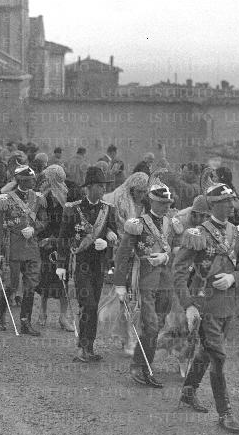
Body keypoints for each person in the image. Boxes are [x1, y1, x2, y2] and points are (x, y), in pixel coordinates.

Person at [174, 183, 239, 434]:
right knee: (218, 357)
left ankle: (188, 391)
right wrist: (188, 305)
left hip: (228, 304)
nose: (231, 205)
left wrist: (234, 278)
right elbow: (178, 271)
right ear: (213, 205)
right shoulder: (198, 234)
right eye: (225, 201)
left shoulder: (238, 233)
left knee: (208, 352)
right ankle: (225, 412)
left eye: (231, 200)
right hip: (204, 304)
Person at [114, 183, 183, 386]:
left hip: (166, 281)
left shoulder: (174, 224)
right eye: (161, 203)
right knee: (151, 325)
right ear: (151, 201)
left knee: (158, 324)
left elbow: (180, 253)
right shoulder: (138, 224)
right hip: (144, 280)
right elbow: (123, 254)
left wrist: (166, 256)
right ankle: (140, 366)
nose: (164, 207)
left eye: (167, 203)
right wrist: (120, 284)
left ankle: (144, 365)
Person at [56, 166, 118, 361]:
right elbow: (63, 238)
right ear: (89, 188)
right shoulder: (72, 209)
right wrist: (60, 264)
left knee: (94, 305)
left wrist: (107, 241)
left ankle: (89, 347)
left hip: (99, 265)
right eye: (99, 186)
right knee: (87, 304)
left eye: (103, 186)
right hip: (81, 264)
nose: (103, 190)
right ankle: (82, 347)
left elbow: (113, 234)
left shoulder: (108, 210)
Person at [0, 165, 47, 335]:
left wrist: (35, 229)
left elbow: (44, 221)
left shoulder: (38, 198)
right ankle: (0, 314)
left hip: (31, 248)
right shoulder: (5, 199)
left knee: (31, 285)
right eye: (30, 179)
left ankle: (25, 321)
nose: (33, 182)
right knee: (11, 284)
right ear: (21, 180)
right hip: (12, 247)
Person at [34, 165, 82, 330]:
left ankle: (63, 316)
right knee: (46, 277)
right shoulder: (43, 196)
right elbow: (38, 219)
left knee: (63, 277)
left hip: (63, 241)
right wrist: (44, 238)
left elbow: (72, 218)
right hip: (47, 242)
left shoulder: (69, 193)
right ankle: (42, 311)